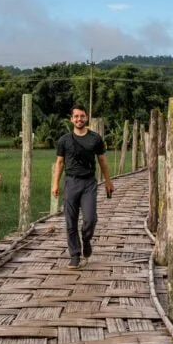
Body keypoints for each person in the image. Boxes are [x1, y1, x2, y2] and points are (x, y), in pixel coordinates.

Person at [52, 105, 114, 269]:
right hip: (71, 182)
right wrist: (55, 184)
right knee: (70, 222)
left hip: (89, 183)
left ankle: (86, 240)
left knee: (90, 219)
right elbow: (59, 163)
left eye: (82, 116)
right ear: (71, 119)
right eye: (76, 116)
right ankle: (75, 255)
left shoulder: (95, 138)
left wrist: (108, 181)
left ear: (86, 118)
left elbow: (102, 161)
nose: (79, 119)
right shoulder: (64, 140)